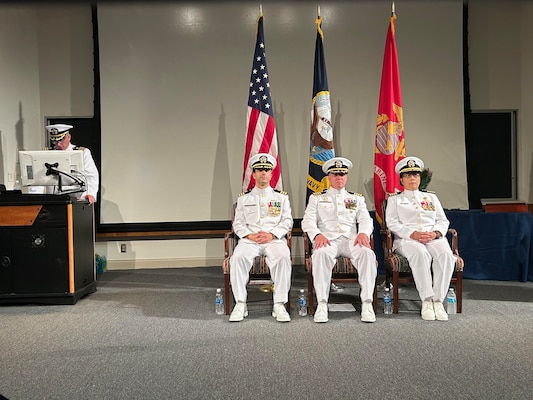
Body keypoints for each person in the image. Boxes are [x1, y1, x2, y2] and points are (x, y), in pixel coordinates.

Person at [301, 157, 377, 323]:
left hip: (352, 241)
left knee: (368, 254)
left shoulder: (357, 198)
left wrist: (364, 232)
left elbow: (365, 219)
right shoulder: (317, 198)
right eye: (335, 174)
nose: (339, 177)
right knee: (320, 255)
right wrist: (317, 235)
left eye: (342, 174)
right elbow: (307, 221)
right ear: (329, 177)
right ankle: (322, 303)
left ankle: (367, 303)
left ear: (346, 176)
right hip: (328, 240)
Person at [385, 156, 455, 321]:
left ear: (420, 178)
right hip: (407, 240)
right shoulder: (395, 200)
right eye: (408, 176)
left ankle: (438, 300)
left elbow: (443, 220)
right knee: (420, 254)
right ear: (401, 179)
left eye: (415, 175)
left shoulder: (431, 198)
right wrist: (412, 234)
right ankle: (426, 300)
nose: (412, 179)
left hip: (433, 238)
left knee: (446, 255)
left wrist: (435, 233)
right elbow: (392, 223)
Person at [229, 153, 293, 322]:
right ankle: (240, 303)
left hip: (274, 239)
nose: (263, 173)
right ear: (254, 174)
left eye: (266, 170)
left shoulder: (282, 197)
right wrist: (249, 235)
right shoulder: (244, 199)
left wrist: (272, 234)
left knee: (283, 256)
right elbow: (238, 224)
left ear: (271, 173)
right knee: (238, 258)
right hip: (250, 240)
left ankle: (279, 304)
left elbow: (287, 221)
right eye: (259, 170)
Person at [46, 124, 99, 204]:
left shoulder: (82, 152)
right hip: (53, 199)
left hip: (77, 198)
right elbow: (39, 176)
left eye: (61, 140)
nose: (58, 144)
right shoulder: (47, 153)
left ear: (68, 137)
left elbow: (91, 175)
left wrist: (91, 193)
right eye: (55, 141)